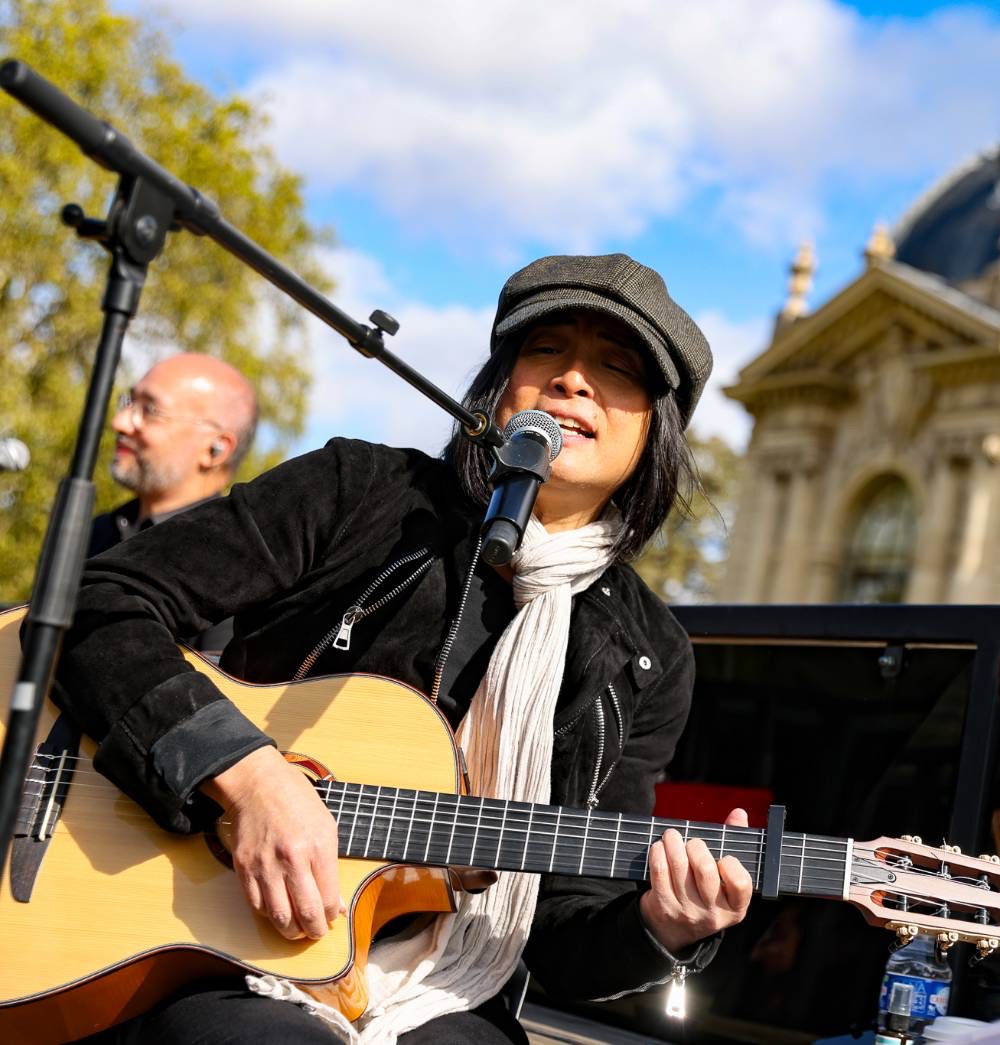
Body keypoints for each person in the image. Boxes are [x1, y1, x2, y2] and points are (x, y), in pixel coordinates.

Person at [54, 254, 754, 1043]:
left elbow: (559, 933)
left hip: (444, 988)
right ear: (499, 387)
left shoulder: (647, 652)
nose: (574, 380)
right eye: (546, 349)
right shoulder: (361, 490)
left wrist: (662, 925)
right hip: (214, 941)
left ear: (654, 430)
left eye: (618, 367)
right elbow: (98, 601)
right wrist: (249, 778)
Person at [88, 352, 259, 557]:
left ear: (215, 449)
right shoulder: (96, 534)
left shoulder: (227, 560)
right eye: (130, 402)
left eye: (151, 410)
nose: (119, 423)